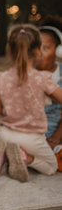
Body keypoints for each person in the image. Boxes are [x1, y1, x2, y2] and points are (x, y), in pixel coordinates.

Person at [0, 24, 62, 182]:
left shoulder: (0, 77)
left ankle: (4, 156)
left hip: (5, 133)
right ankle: (26, 158)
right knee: (51, 166)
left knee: (5, 139)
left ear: (8, 51)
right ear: (38, 51)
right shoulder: (43, 78)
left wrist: (12, 111)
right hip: (31, 138)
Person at [36, 16, 62, 172]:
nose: (39, 53)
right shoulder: (27, 73)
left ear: (58, 51)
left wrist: (55, 139)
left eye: (46, 48)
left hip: (55, 134)